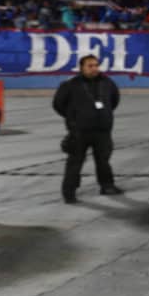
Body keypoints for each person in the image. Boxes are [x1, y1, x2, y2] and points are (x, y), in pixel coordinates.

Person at [52, 55, 123, 203]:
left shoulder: (107, 83)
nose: (94, 68)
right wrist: (73, 117)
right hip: (79, 132)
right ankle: (69, 192)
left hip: (102, 131)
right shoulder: (70, 85)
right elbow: (58, 104)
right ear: (81, 67)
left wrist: (104, 115)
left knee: (103, 161)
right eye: (90, 66)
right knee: (75, 163)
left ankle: (107, 186)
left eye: (96, 65)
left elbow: (114, 100)